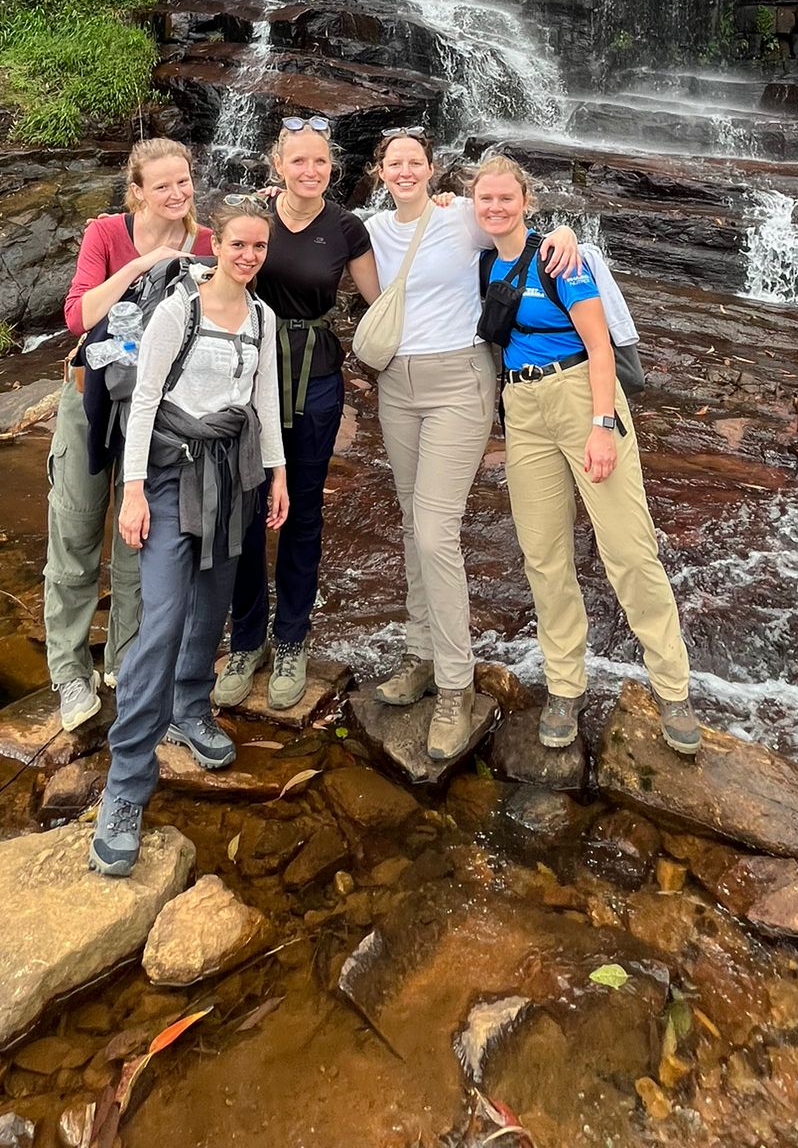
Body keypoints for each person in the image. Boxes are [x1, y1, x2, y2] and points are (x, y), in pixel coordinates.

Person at [362, 128, 583, 761]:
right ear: (381, 172)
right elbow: (299, 223)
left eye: (416, 161)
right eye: (394, 162)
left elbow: (519, 231)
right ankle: (420, 652)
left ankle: (456, 686)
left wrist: (566, 235)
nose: (406, 170)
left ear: (432, 170)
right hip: (395, 384)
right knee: (411, 524)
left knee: (437, 529)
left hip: (460, 379)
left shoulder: (461, 218)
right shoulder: (373, 229)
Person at [471, 153, 700, 757]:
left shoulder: (559, 257)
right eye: (484, 199)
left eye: (506, 198)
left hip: (582, 395)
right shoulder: (482, 263)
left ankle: (673, 688)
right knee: (544, 554)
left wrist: (603, 425)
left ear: (527, 202)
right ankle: (565, 686)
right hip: (523, 411)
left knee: (628, 547)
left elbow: (600, 346)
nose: (495, 208)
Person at [91, 198, 288, 875]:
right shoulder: (182, 309)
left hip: (233, 475)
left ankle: (190, 708)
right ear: (219, 244)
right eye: (238, 244)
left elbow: (264, 400)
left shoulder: (263, 317)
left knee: (213, 604)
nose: (248, 255)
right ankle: (125, 787)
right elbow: (144, 400)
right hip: (172, 478)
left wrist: (278, 475)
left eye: (259, 247)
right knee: (164, 619)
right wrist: (135, 490)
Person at [44, 136, 212, 733]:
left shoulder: (205, 243)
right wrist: (141, 268)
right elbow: (77, 318)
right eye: (162, 184)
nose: (176, 193)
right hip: (91, 398)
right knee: (76, 528)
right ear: (136, 191)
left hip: (159, 412)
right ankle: (68, 669)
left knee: (138, 539)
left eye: (184, 181)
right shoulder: (106, 236)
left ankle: (123, 660)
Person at [213, 117, 380, 714]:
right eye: (300, 162)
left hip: (315, 379)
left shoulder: (346, 227)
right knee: (247, 508)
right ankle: (247, 639)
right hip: (245, 375)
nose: (312, 172)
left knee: (302, 509)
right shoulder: (255, 219)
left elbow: (381, 303)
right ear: (277, 166)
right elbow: (207, 261)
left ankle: (291, 640)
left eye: (322, 163)